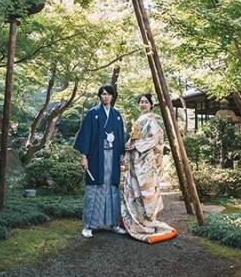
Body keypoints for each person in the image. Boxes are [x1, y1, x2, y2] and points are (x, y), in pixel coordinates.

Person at [120, 93, 177, 243]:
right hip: (135, 159)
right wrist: (129, 144)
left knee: (147, 189)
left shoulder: (152, 119)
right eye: (141, 102)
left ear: (151, 105)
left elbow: (154, 138)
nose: (143, 104)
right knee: (135, 188)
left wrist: (136, 145)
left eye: (146, 102)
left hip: (145, 160)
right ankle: (137, 219)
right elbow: (135, 137)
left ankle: (147, 221)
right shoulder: (140, 119)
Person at [73, 84, 127, 238]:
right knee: (94, 188)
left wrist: (122, 156)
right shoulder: (93, 113)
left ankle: (113, 223)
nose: (106, 97)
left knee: (112, 188)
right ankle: (88, 225)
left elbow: (121, 136)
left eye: (109, 94)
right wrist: (84, 156)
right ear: (100, 96)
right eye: (103, 94)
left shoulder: (117, 115)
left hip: (113, 157)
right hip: (97, 156)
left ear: (112, 96)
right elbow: (86, 135)